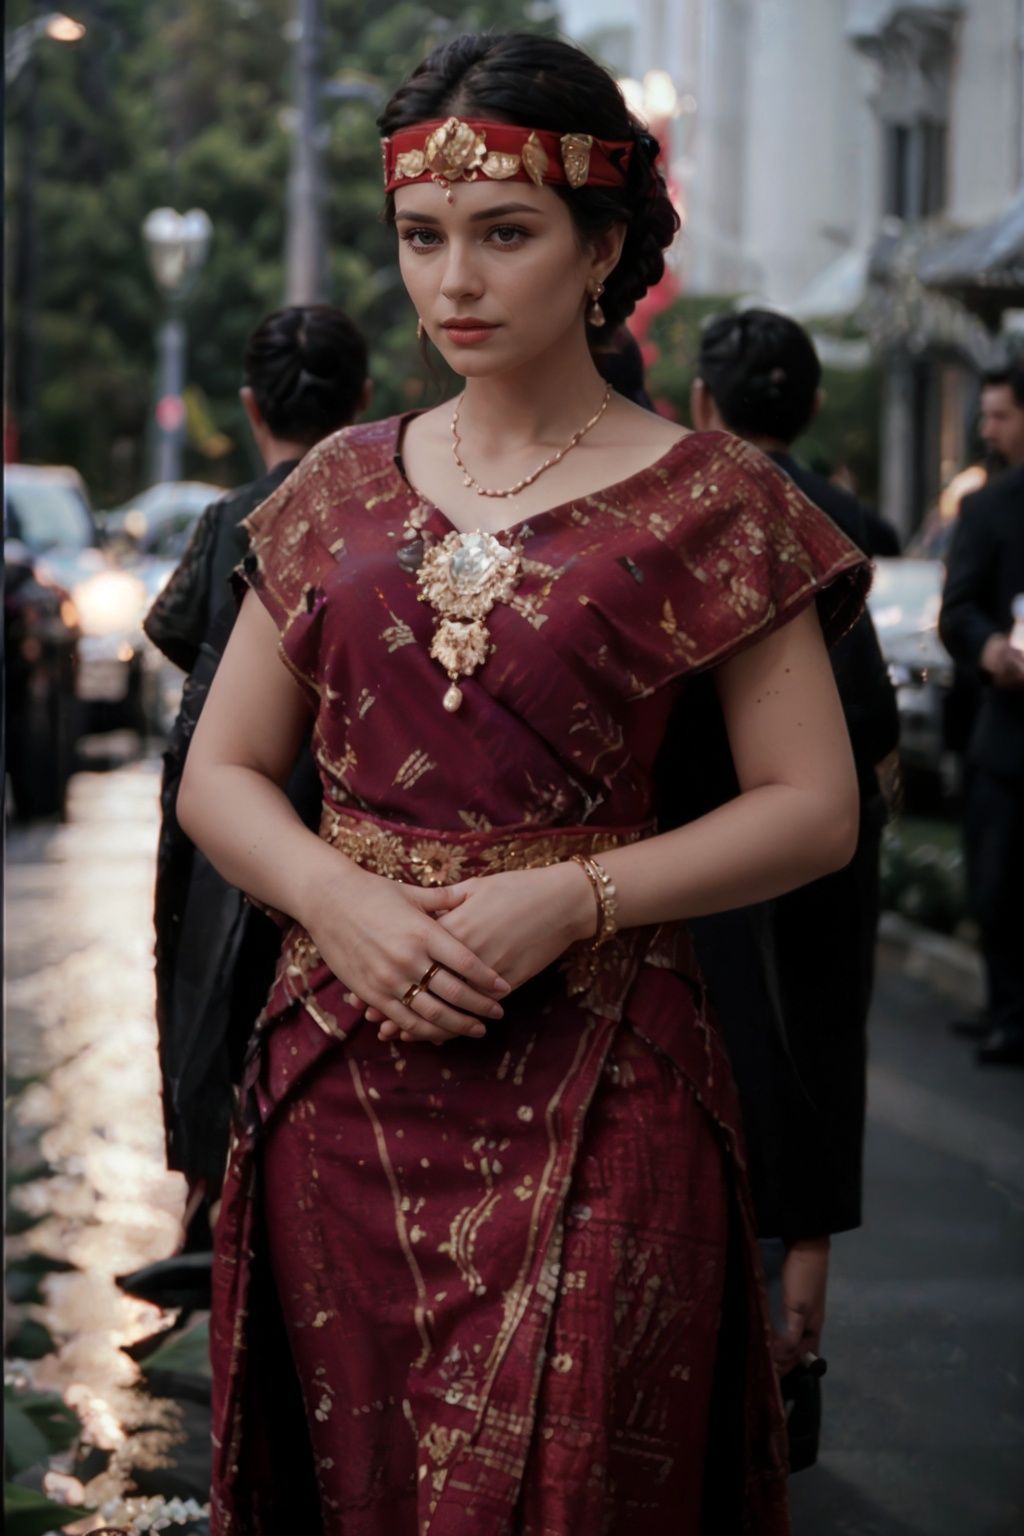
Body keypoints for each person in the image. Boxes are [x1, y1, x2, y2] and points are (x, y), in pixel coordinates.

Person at [178, 34, 869, 1533]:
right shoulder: (329, 492)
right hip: (339, 1072)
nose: (456, 285)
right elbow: (224, 773)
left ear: (604, 245)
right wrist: (334, 899)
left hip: (607, 1064)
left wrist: (577, 897)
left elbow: (815, 805)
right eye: (424, 240)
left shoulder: (717, 498)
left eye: (506, 235)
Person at [685, 308, 898, 1372]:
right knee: (811, 1064)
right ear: (809, 406)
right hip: (827, 850)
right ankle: (794, 1353)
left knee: (708, 1070)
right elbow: (874, 729)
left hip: (696, 849)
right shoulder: (848, 518)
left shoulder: (682, 511)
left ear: (698, 406)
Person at [142, 304, 370, 1218]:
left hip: (222, 815)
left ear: (249, 406)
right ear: (362, 402)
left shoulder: (230, 517)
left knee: (211, 1002)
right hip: (339, 807)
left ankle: (211, 1197)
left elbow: (174, 633)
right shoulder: (376, 516)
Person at [939, 360, 1024, 1067]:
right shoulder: (990, 507)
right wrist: (991, 647)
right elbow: (957, 611)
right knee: (999, 883)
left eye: (1000, 415)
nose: (986, 430)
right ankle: (1008, 1014)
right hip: (1010, 732)